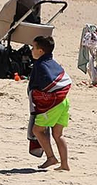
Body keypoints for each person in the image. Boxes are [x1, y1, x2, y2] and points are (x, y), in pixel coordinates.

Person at [28, 35, 71, 170]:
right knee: (58, 135)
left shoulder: (40, 65)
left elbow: (46, 83)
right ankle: (64, 165)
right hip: (64, 101)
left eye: (33, 47)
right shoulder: (53, 62)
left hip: (53, 104)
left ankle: (51, 158)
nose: (31, 50)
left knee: (37, 130)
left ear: (40, 51)